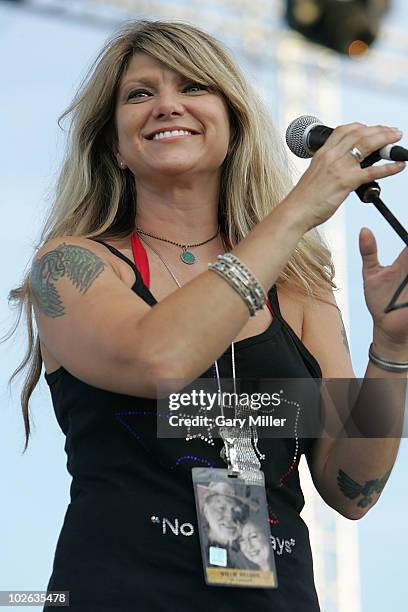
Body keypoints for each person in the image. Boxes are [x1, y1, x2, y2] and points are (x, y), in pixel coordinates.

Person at [4, 17, 408, 612]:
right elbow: (160, 358)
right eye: (140, 94)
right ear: (114, 143)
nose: (167, 105)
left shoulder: (298, 285)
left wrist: (392, 350)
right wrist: (297, 210)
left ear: (234, 124)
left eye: (193, 87)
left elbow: (352, 490)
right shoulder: (70, 264)